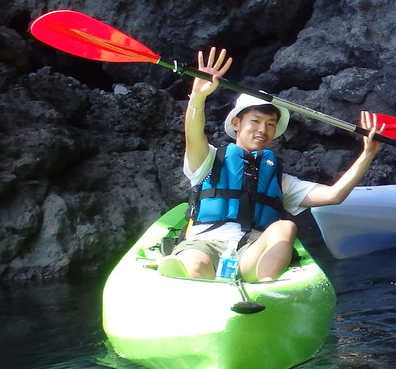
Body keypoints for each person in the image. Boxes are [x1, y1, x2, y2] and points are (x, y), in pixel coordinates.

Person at [159, 47, 381, 282]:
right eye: (255, 121)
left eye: (270, 124)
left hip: (252, 254)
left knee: (285, 227)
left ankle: (266, 290)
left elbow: (334, 195)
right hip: (204, 244)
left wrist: (367, 154)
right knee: (195, 264)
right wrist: (199, 97)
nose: (263, 130)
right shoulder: (207, 160)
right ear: (236, 123)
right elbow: (193, 133)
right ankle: (189, 276)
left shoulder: (278, 179)